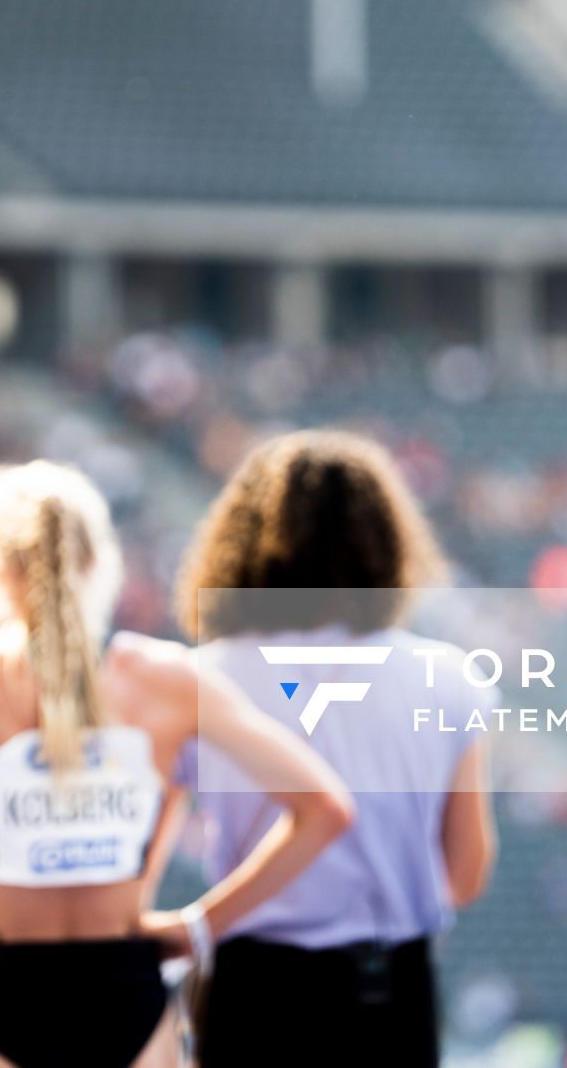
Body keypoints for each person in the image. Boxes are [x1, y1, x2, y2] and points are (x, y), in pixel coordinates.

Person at [0, 460, 354, 1067]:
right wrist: (199, 927)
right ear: (102, 563)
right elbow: (327, 809)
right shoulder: (168, 680)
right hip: (127, 986)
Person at [173, 430, 498, 1068]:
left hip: (251, 990)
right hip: (388, 991)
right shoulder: (450, 677)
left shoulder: (199, 679)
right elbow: (465, 874)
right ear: (387, 540)